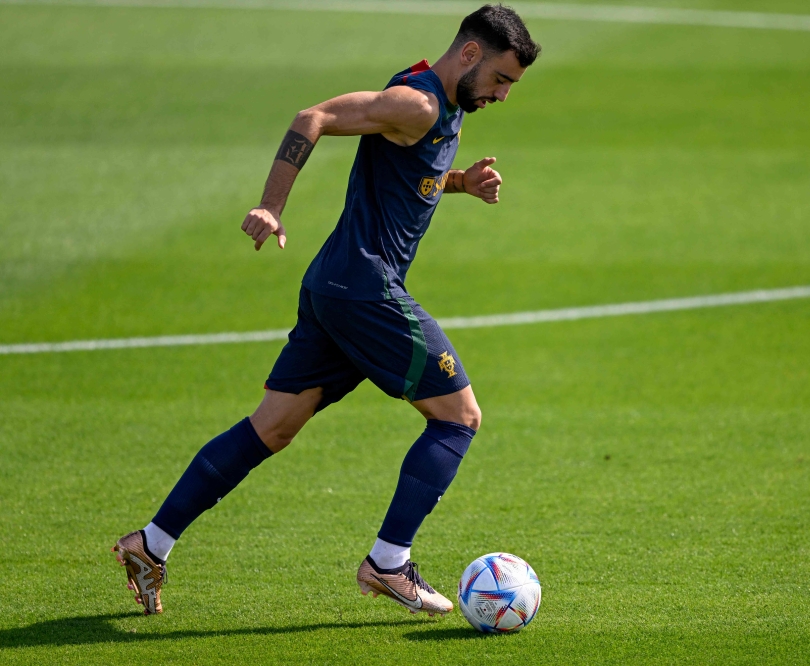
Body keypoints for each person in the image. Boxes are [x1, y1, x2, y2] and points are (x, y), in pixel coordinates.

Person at [112, 4, 540, 617]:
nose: (502, 94)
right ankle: (388, 563)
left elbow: (407, 166)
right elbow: (311, 117)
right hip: (365, 290)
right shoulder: (416, 101)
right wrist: (271, 206)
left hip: (334, 288)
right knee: (458, 418)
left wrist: (459, 184)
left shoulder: (438, 106)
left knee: (273, 427)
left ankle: (150, 545)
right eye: (501, 78)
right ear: (470, 54)